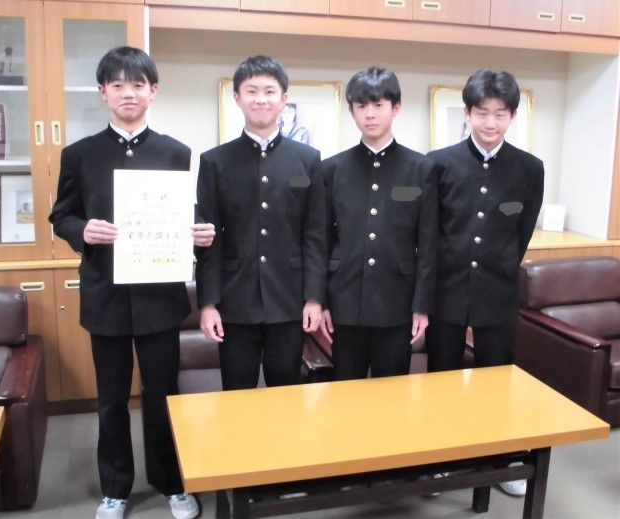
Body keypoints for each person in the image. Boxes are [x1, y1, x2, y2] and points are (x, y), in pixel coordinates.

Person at [48, 46, 214, 519]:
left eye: (138, 84)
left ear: (153, 91)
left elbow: (183, 212)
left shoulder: (175, 152)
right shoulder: (79, 154)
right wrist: (83, 230)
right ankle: (116, 489)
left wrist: (198, 231)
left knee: (163, 396)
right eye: (117, 84)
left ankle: (172, 483)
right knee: (111, 399)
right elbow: (62, 215)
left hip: (159, 296)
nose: (128, 93)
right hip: (106, 296)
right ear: (103, 92)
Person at [426, 68, 545, 497]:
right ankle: (438, 462)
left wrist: (499, 264)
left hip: (497, 289)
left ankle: (498, 462)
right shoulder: (438, 163)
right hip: (446, 289)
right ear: (467, 113)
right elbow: (430, 231)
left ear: (512, 115)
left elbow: (522, 231)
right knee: (441, 376)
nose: (490, 122)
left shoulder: (529, 168)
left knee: (497, 378)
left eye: (499, 113)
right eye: (482, 112)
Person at [195, 55, 327, 390]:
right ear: (237, 98)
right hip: (235, 303)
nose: (261, 99)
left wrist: (314, 297)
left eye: (270, 91)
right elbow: (210, 242)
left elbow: (315, 234)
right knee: (236, 397)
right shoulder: (215, 162)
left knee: (285, 397)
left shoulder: (307, 160)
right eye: (251, 91)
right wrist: (208, 304)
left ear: (284, 99)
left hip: (289, 300)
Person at [318, 66, 439, 380]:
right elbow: (321, 241)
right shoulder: (332, 169)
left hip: (397, 301)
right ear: (352, 111)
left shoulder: (420, 169)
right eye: (361, 106)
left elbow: (428, 244)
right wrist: (323, 302)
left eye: (379, 105)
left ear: (396, 108)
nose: (370, 114)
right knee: (347, 389)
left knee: (393, 392)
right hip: (345, 300)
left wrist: (422, 306)